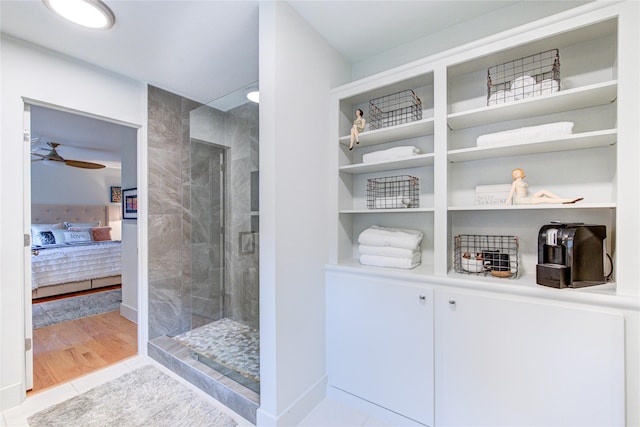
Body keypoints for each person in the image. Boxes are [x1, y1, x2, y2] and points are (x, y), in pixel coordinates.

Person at [504, 168, 583, 205]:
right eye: (514, 173)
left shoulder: (523, 182)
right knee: (544, 199)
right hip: (521, 200)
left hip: (527, 198)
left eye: (517, 173)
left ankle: (562, 200)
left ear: (521, 173)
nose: (516, 174)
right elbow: (511, 194)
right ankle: (568, 200)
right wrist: (506, 204)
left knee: (543, 191)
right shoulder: (515, 183)